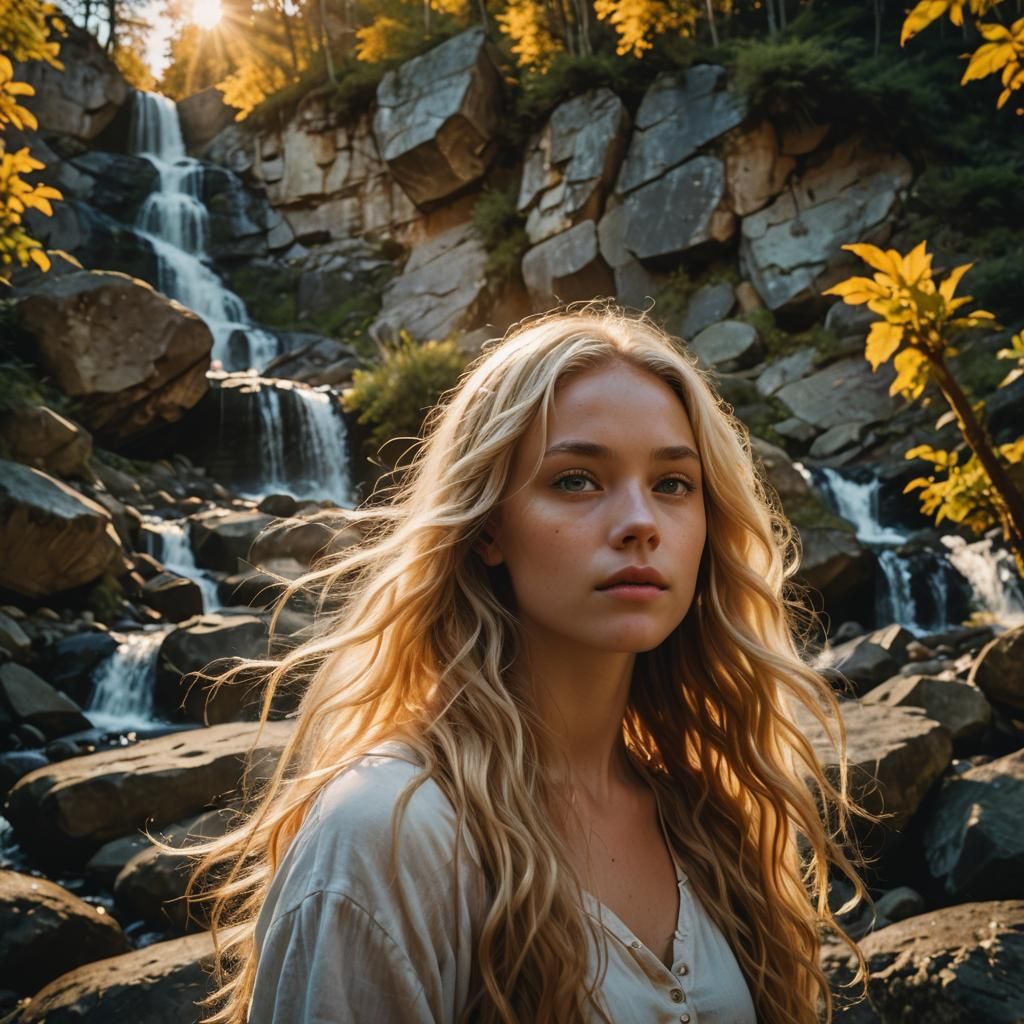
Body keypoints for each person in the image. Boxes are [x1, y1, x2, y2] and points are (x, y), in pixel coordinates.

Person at [187, 302, 868, 1024]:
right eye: (576, 479)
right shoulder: (389, 834)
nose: (641, 522)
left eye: (673, 484)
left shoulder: (710, 812)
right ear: (487, 529)